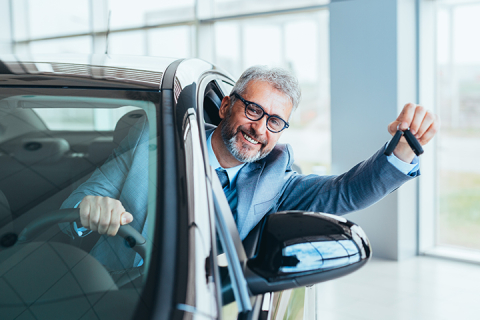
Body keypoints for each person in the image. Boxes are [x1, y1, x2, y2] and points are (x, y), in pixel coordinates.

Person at [61, 66, 439, 268]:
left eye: (275, 121)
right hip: (110, 289)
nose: (259, 128)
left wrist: (401, 150)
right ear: (227, 106)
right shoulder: (149, 144)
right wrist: (89, 210)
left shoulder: (276, 177)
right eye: (253, 110)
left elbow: (346, 192)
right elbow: (73, 207)